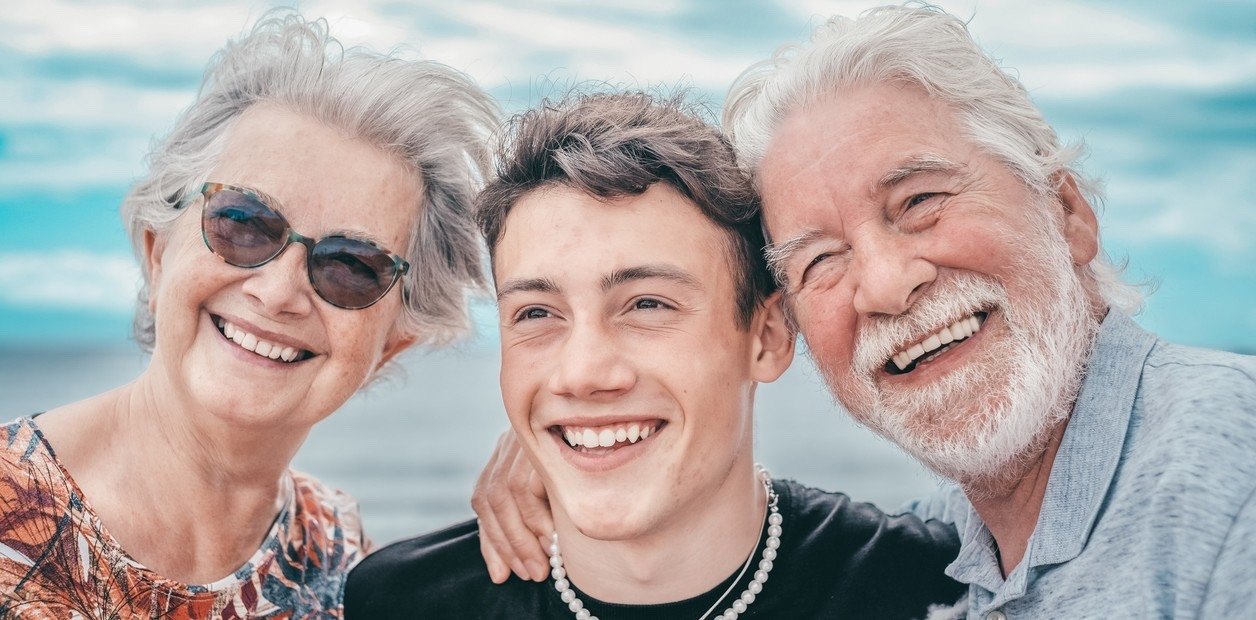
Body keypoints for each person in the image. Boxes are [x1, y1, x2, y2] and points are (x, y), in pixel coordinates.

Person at [474, 5, 1256, 618]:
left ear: (1068, 213)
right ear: (787, 328)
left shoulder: (1228, 473)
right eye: (820, 259)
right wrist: (586, 450)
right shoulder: (942, 552)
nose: (884, 285)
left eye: (919, 203)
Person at [344, 91, 966, 619]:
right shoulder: (400, 600)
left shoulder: (923, 586)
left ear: (769, 336)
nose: (583, 373)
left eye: (647, 305)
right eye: (537, 313)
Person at [0, 11, 496, 617]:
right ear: (158, 254)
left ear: (392, 343)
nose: (278, 292)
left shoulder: (340, 555)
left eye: (351, 266)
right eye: (242, 222)